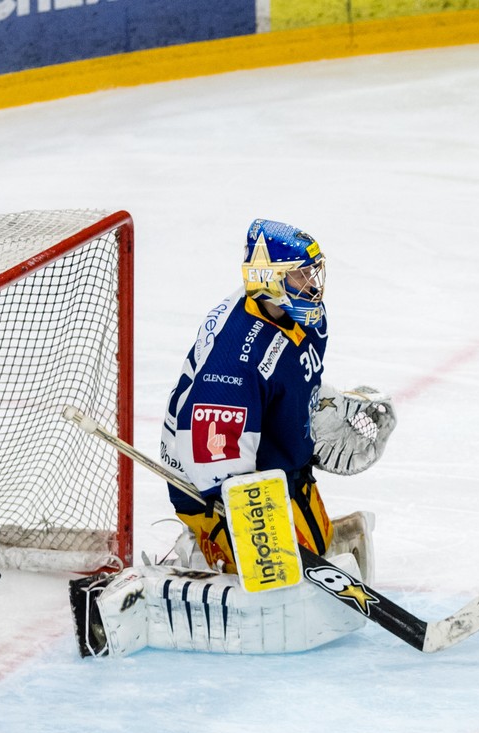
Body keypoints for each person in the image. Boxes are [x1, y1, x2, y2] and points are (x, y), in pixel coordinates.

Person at [67, 219, 396, 658]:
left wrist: (322, 409)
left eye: (313, 272)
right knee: (283, 573)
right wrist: (247, 521)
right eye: (300, 274)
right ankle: (202, 552)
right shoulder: (234, 363)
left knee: (312, 550)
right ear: (269, 280)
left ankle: (241, 548)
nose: (312, 284)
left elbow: (290, 381)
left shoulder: (302, 318)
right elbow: (212, 455)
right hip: (219, 486)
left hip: (277, 465)